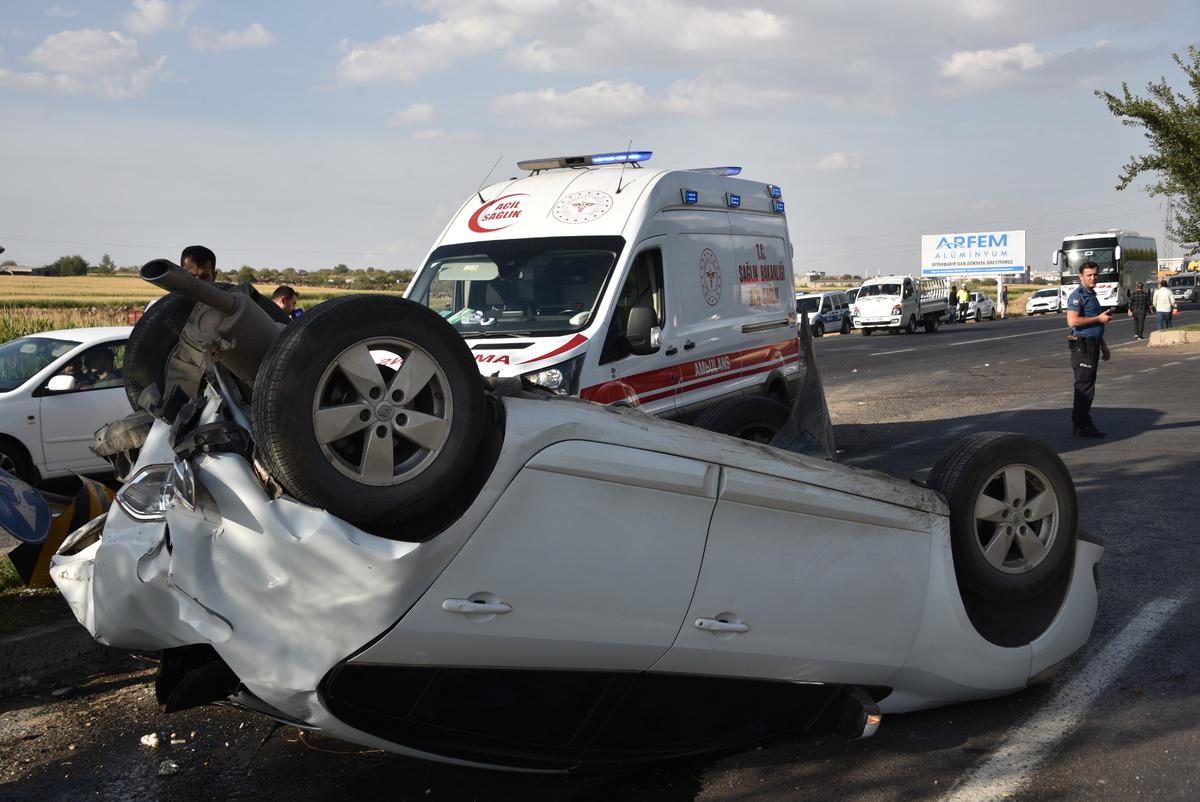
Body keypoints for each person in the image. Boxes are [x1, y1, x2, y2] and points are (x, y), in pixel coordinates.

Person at [1065, 262, 1111, 438]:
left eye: (1095, 275)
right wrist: (1099, 319)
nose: (1093, 278)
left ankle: (1084, 421)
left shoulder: (1092, 294)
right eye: (1089, 275)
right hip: (1082, 346)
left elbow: (1095, 323)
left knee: (1088, 385)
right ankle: (1080, 425)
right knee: (1084, 386)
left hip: (1092, 344)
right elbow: (1072, 321)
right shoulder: (1078, 295)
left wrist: (1103, 345)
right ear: (1081, 276)